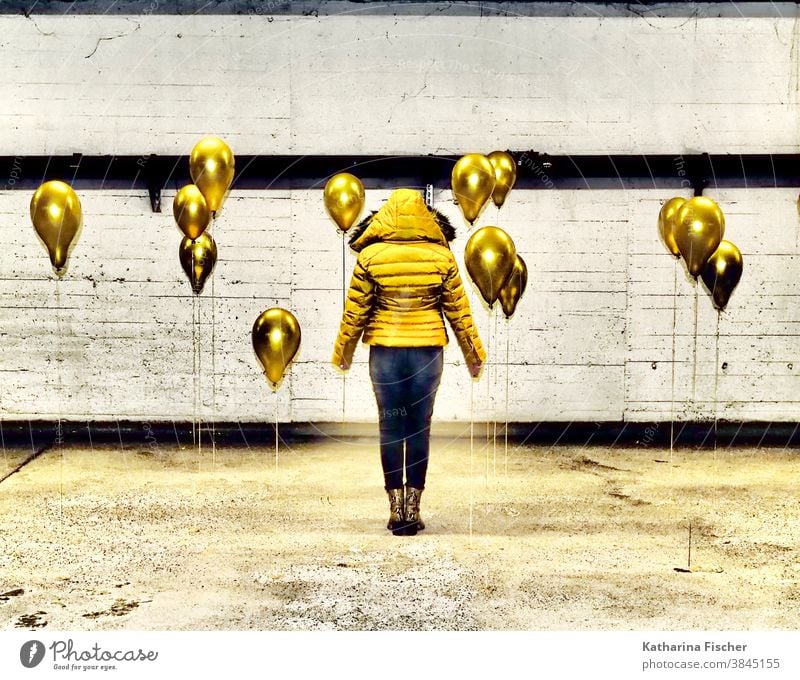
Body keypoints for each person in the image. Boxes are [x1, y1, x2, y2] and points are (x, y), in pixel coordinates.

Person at [332, 188, 486, 536]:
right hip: (426, 352)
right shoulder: (441, 257)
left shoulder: (371, 257)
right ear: (424, 218)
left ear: (387, 218)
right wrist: (474, 356)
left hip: (385, 352)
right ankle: (413, 509)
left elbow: (355, 312)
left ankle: (394, 509)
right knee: (419, 427)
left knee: (390, 427)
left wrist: (343, 353)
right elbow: (459, 313)